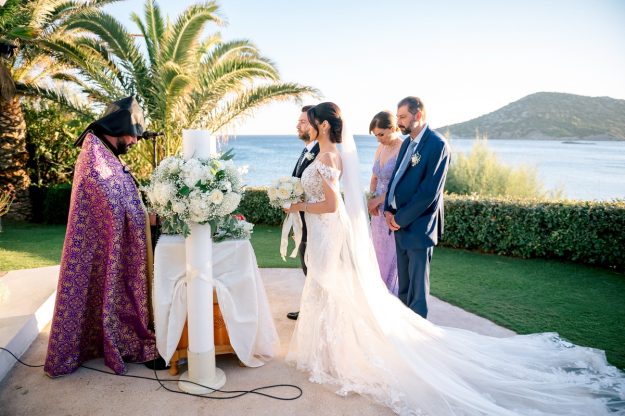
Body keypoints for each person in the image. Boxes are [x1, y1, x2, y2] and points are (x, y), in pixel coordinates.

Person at [284, 101, 624, 415]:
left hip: (360, 228)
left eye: (310, 121)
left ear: (324, 125)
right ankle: (327, 351)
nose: (307, 125)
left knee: (357, 288)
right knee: (333, 286)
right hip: (337, 229)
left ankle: (378, 348)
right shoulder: (340, 152)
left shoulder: (344, 155)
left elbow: (344, 202)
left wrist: (296, 204)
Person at [45, 96, 158, 377]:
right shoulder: (95, 155)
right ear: (118, 127)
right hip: (98, 246)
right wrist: (144, 216)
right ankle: (125, 342)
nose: (135, 141)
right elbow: (110, 203)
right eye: (132, 135)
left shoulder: (103, 151)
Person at [383, 96, 450, 318]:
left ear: (418, 115)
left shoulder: (437, 145)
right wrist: (388, 208)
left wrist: (399, 218)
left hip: (419, 228)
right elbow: (396, 177)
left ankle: (419, 335)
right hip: (399, 225)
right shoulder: (406, 144)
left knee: (417, 293)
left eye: (403, 117)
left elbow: (428, 193)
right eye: (398, 117)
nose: (398, 122)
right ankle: (403, 330)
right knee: (403, 287)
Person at [286, 105, 319, 321]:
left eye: (303, 122)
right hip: (304, 218)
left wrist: (298, 205)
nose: (298, 125)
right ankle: (310, 308)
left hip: (316, 219)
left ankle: (316, 311)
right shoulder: (307, 149)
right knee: (307, 265)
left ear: (315, 124)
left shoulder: (321, 152)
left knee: (315, 267)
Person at [367, 111, 402, 295]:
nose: (378, 139)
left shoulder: (403, 149)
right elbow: (374, 177)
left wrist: (378, 201)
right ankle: (376, 294)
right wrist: (371, 198)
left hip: (391, 209)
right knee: (375, 254)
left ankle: (389, 295)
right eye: (375, 135)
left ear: (393, 128)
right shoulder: (380, 148)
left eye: (381, 134)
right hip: (376, 213)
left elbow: (402, 185)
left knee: (389, 256)